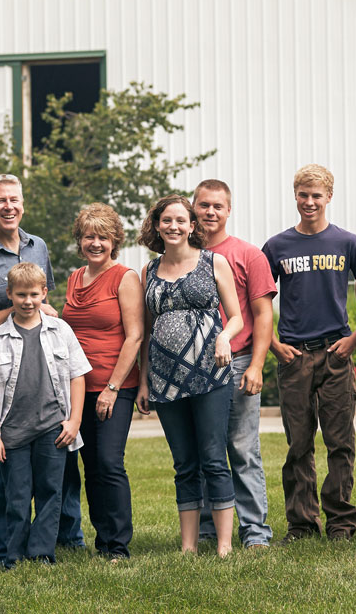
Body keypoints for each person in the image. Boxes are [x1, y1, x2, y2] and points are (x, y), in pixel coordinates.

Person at [0, 173, 84, 565]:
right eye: (0, 201)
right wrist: (15, 311)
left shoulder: (37, 246)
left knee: (57, 470)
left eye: (14, 199)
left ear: (22, 203)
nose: (8, 206)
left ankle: (62, 540)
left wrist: (40, 310)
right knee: (3, 471)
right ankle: (5, 548)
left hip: (45, 378)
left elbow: (42, 298)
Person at [262, 164, 356, 543]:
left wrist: (354, 340)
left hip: (335, 355)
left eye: (316, 195)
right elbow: (256, 301)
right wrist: (273, 344)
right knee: (299, 445)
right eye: (303, 195)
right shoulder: (277, 247)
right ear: (295, 196)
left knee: (341, 443)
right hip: (294, 358)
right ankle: (302, 525)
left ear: (329, 197)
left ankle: (341, 523)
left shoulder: (348, 243)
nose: (309, 202)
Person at [136, 195, 244, 557]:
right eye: (166, 220)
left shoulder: (214, 261)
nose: (174, 226)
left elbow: (237, 317)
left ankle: (225, 545)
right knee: (184, 463)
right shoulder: (148, 272)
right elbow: (147, 330)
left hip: (210, 375)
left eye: (181, 220)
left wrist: (225, 338)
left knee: (213, 457)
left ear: (192, 226)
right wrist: (144, 379)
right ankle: (188, 547)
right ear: (157, 225)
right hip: (166, 379)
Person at [0, 263, 91, 567]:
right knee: (16, 495)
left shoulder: (60, 330)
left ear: (44, 293)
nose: (27, 301)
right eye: (20, 295)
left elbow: (77, 376)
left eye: (33, 294)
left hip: (52, 427)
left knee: (51, 491)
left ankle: (42, 552)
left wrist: (75, 421)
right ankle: (13, 554)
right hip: (12, 430)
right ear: (9, 295)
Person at [192, 180, 277, 549]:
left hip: (239, 361)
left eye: (218, 206)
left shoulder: (248, 254)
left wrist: (257, 365)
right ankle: (209, 528)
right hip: (194, 368)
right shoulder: (183, 254)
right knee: (202, 450)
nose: (210, 212)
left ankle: (255, 531)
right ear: (193, 207)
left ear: (229, 211)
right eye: (204, 205)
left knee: (242, 448)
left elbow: (262, 314)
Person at [61, 203, 144, 560]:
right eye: (88, 236)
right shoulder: (74, 278)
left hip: (115, 387)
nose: (95, 243)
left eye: (103, 237)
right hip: (77, 389)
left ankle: (118, 545)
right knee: (89, 465)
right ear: (79, 241)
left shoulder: (124, 277)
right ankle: (102, 540)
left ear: (115, 241)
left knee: (109, 463)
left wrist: (112, 388)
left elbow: (135, 336)